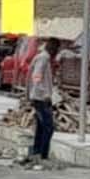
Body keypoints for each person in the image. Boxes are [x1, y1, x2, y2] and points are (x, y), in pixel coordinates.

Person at [22, 35, 61, 167]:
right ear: (53, 48)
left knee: (40, 127)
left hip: (37, 96)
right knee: (48, 128)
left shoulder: (42, 57)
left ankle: (36, 152)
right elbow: (36, 76)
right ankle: (43, 155)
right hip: (40, 98)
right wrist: (44, 94)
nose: (57, 52)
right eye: (57, 49)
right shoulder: (44, 58)